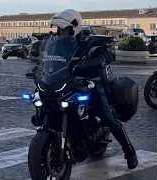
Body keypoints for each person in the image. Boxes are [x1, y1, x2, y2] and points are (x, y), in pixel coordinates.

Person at [47, 9, 138, 169]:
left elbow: (108, 55)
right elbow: (49, 60)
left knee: (107, 116)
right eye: (59, 29)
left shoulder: (89, 41)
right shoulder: (57, 43)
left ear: (74, 27)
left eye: (64, 29)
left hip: (92, 82)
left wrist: (97, 60)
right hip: (68, 83)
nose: (61, 32)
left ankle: (129, 151)